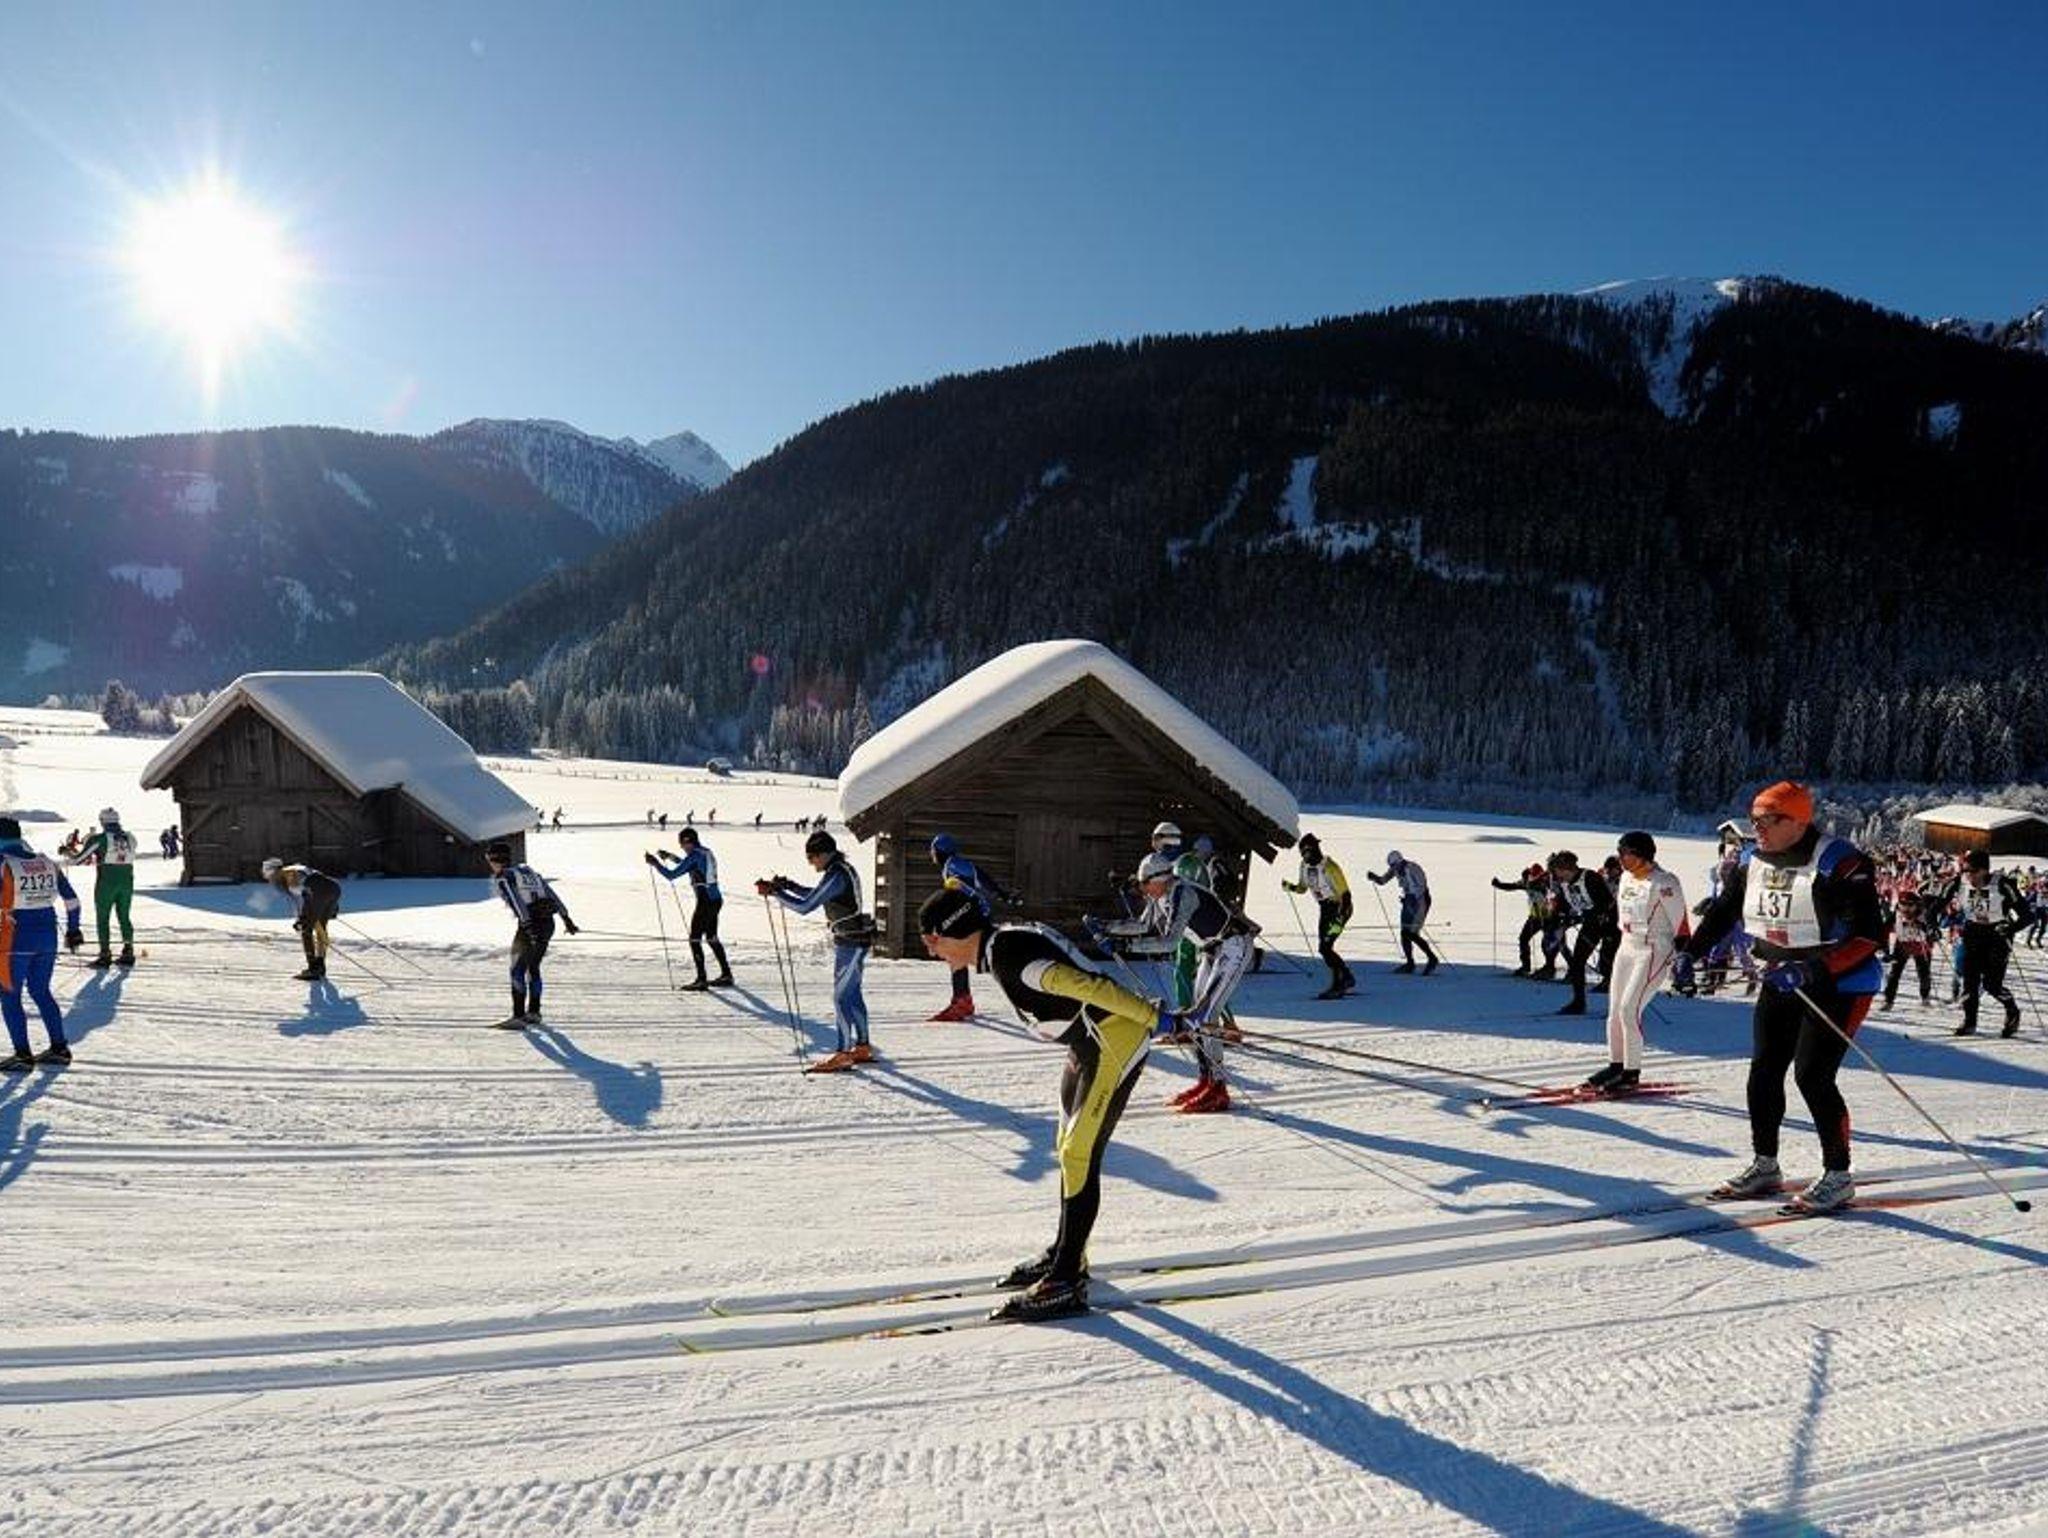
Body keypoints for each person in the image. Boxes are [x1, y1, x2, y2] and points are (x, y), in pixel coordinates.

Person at [919, 887, 1164, 1323]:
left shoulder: (1011, 955)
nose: (931, 950)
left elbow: (1089, 986)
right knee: (1067, 1149)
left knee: (1078, 1152)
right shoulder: (1001, 949)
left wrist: (1153, 1018)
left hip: (1115, 1039)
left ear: (955, 930)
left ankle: (1066, 1281)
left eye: (932, 940)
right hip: (1088, 1044)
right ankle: (1067, 1252)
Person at [1676, 781, 1885, 1214]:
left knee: (1812, 1075)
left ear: (1799, 822)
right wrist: (1691, 953)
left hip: (1840, 982)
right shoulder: (1750, 859)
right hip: (1780, 976)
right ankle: (1765, 1164)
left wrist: (1813, 969)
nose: (1758, 828)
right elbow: (1725, 910)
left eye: (1768, 820)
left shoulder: (1840, 862)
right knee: (1765, 1070)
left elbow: (1868, 936)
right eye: (1754, 819)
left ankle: (1838, 1175)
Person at [1091, 849, 1258, 1114]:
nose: (1143, 889)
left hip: (1233, 946)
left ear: (1159, 879)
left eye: (1145, 883)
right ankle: (1206, 1082)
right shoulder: (1160, 895)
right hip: (1212, 951)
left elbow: (1169, 941)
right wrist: (1107, 927)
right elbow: (1143, 925)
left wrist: (1125, 946)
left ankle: (1218, 1089)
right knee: (1198, 1018)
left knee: (1205, 1016)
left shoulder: (1183, 894)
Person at [760, 830, 873, 1072]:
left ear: (824, 854)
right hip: (854, 940)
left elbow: (806, 906)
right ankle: (862, 1047)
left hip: (850, 943)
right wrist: (789, 886)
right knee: (852, 994)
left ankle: (843, 1054)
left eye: (811, 857)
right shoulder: (840, 870)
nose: (811, 863)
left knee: (841, 997)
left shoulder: (836, 875)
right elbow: (818, 895)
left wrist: (776, 893)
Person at [1585, 831, 1687, 1093]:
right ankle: (1616, 1065)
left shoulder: (1664, 882)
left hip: (1653, 949)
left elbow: (1681, 923)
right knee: (1614, 1011)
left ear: (1642, 855)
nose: (1621, 858)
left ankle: (1631, 1073)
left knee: (1629, 1010)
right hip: (1627, 945)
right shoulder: (1626, 877)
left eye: (1626, 853)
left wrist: (1683, 959)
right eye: (1619, 852)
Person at [0, 816, 83, 1071]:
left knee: (9, 994)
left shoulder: (3, 863)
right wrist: (73, 930)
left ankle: (22, 1055)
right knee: (40, 991)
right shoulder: (46, 862)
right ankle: (59, 1048)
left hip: (15, 939)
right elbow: (72, 901)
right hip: (48, 936)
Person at [1924, 850, 2031, 1037]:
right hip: (1973, 933)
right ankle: (1969, 1022)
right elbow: (1934, 908)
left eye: (1973, 871)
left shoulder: (2003, 884)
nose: (1968, 875)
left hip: (1997, 935)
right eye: (1965, 870)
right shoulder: (1959, 882)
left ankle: (2012, 1009)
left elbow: (2027, 915)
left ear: (1984, 870)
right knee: (1969, 982)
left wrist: (2010, 928)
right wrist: (1932, 926)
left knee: (1992, 985)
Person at [926, 832, 1020, 1020]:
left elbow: (978, 878)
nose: (931, 854)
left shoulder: (954, 864)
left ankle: (962, 1002)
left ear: (940, 851)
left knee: (957, 952)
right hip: (971, 914)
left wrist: (1003, 895)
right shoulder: (952, 865)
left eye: (933, 850)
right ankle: (963, 1001)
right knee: (962, 954)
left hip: (973, 915)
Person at [488, 841, 579, 1027]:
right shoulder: (530, 873)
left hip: (530, 925)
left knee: (517, 969)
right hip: (548, 923)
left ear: (494, 859)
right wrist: (566, 918)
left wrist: (528, 926)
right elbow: (551, 895)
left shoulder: (504, 877)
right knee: (533, 967)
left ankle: (518, 1016)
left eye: (489, 859)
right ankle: (534, 1013)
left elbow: (517, 902)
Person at [647, 828, 733, 990]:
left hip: (705, 901)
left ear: (688, 842)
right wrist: (669, 856)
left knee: (694, 939)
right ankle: (726, 975)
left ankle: (701, 979)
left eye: (681, 843)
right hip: (715, 900)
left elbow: (672, 875)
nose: (681, 847)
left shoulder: (694, 856)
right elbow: (687, 865)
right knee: (711, 937)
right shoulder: (705, 852)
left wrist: (655, 863)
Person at [1282, 833, 1354, 998]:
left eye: (1305, 852)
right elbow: (1302, 888)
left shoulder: (1330, 867)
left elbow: (1346, 896)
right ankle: (1346, 977)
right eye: (1302, 853)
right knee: (1324, 948)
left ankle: (1339, 983)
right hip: (1325, 909)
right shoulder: (1304, 866)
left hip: (1340, 909)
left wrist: (1339, 919)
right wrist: (1290, 887)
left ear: (1312, 850)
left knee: (1326, 948)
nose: (1303, 856)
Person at [67, 807, 139, 969]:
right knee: (124, 916)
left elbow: (78, 859)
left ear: (102, 821)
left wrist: (67, 852)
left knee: (103, 918)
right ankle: (128, 950)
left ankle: (105, 954)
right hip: (127, 880)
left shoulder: (99, 839)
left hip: (107, 881)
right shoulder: (131, 837)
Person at [1548, 851, 1617, 1016]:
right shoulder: (1564, 883)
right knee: (1577, 962)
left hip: (1610, 924)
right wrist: (1558, 918)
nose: (1555, 876)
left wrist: (1585, 916)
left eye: (1556, 871)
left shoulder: (1590, 877)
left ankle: (1622, 1007)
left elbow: (1606, 903)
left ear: (1566, 868)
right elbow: (1564, 904)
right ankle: (1578, 1003)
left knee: (1608, 966)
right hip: (1591, 925)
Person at [263, 858, 343, 981]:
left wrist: (301, 918)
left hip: (318, 892)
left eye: (268, 873)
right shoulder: (296, 867)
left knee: (306, 930)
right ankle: (320, 965)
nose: (269, 878)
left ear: (274, 871)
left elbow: (302, 897)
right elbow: (320, 882)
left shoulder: (287, 874)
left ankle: (313, 968)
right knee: (320, 927)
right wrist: (333, 907)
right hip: (334, 888)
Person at [1367, 851, 1438, 974]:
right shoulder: (1396, 869)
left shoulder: (1413, 868)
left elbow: (1421, 887)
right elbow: (1383, 880)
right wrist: (1375, 878)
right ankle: (1410, 963)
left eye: (1394, 865)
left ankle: (1432, 959)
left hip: (1421, 901)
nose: (1393, 868)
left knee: (1412, 933)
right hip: (1408, 901)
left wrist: (1411, 900)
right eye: (1391, 866)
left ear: (1400, 862)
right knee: (1404, 932)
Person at [1492, 863, 1558, 977]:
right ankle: (1526, 966)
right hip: (1534, 918)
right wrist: (1498, 884)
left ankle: (1551, 967)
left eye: (1537, 876)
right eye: (1533, 876)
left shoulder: (1547, 883)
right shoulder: (1526, 882)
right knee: (1523, 939)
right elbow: (1512, 886)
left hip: (1549, 918)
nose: (1535, 879)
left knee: (1549, 944)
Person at [1880, 891, 1933, 1010]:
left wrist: (1927, 930)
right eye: (1902, 904)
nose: (1906, 908)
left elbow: (1931, 929)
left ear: (1916, 905)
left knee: (1924, 974)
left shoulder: (1923, 914)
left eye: (1910, 904)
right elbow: (1884, 930)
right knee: (1894, 974)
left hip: (1920, 946)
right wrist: (1885, 948)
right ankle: (1888, 1000)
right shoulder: (1896, 914)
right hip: (1902, 946)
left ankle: (1925, 997)